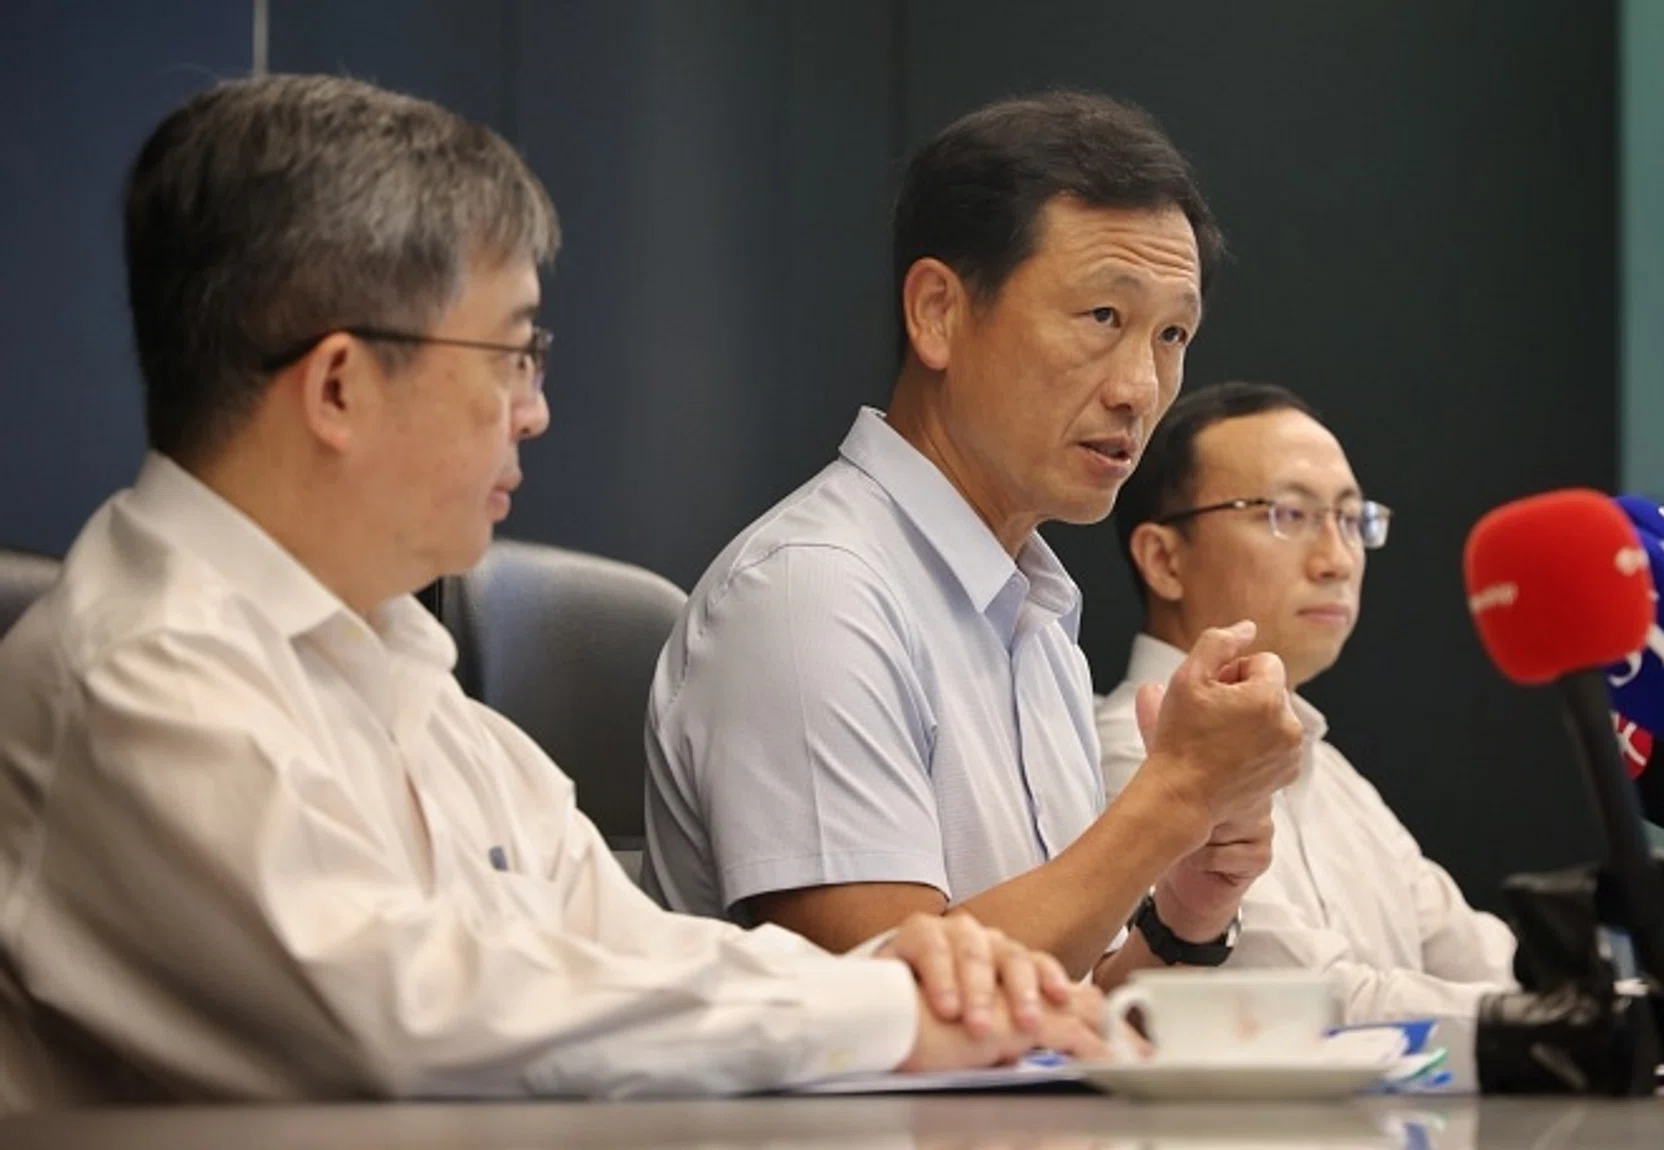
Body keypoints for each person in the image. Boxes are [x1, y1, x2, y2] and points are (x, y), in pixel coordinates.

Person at [0, 74, 1107, 1110]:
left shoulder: (403, 670)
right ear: (339, 385)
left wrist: (896, 970)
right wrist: (880, 1008)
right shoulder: (143, 667)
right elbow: (420, 1014)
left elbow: (619, 946)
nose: (533, 411)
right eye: (512, 356)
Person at [643, 92, 1303, 990]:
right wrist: (1175, 796)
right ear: (938, 314)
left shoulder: (1029, 613)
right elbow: (899, 1000)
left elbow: (1050, 1015)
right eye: (1103, 318)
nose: (1140, 389)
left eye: (1172, 334)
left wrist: (1184, 915)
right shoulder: (810, 596)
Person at [1097, 382, 1519, 1023]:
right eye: (1288, 515)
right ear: (1164, 560)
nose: (1337, 560)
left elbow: (1488, 964)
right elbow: (1305, 1004)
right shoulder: (1132, 753)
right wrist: (1571, 1020)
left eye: (1351, 520)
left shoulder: (1336, 777)